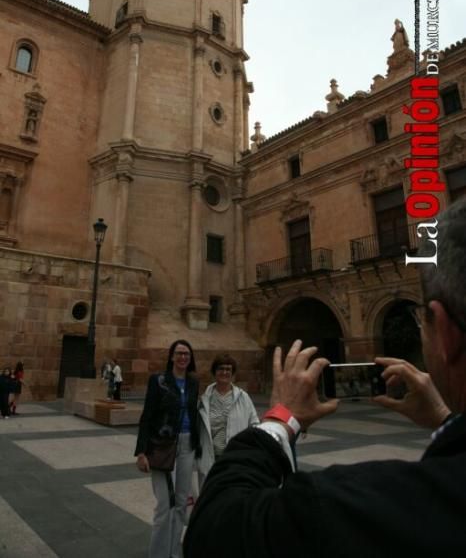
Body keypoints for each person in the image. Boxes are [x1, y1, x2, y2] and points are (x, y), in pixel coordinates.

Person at [184, 196, 466, 558]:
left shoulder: (373, 508)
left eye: (420, 318)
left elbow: (214, 531)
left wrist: (280, 418)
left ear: (445, 332)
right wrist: (447, 420)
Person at [135, 339, 200, 558]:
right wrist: (141, 451)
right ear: (172, 356)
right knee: (164, 505)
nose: (183, 357)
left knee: (181, 504)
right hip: (162, 446)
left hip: (187, 444)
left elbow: (194, 413)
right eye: (179, 353)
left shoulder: (193, 382)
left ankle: (174, 552)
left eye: (187, 354)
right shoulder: (159, 381)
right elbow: (147, 416)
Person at [197, 353, 259, 486]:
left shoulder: (243, 398)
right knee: (210, 494)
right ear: (214, 372)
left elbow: (254, 425)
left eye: (228, 369)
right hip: (211, 457)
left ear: (233, 373)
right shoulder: (204, 399)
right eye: (221, 368)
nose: (224, 372)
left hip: (234, 456)